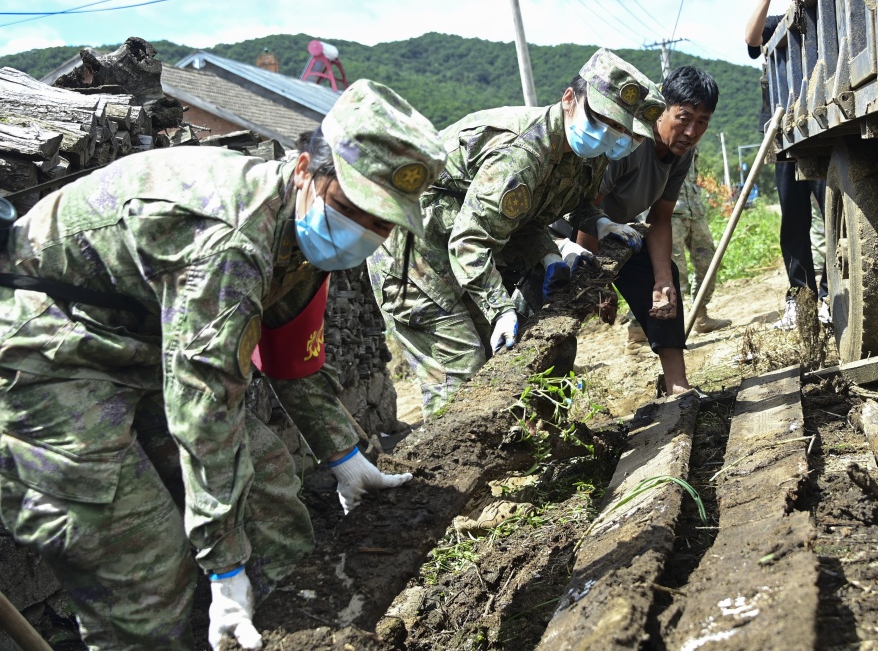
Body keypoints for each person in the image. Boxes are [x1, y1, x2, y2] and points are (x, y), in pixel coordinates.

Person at [0, 80, 446, 650]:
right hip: (47, 348)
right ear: (307, 167)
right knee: (145, 566)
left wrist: (344, 455)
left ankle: (296, 628)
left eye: (383, 220)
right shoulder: (235, 238)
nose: (365, 231)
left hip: (145, 344)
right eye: (354, 208)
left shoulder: (302, 227)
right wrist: (224, 567)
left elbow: (293, 361)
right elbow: (204, 405)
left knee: (268, 483)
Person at [368, 49, 664, 418]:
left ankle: (530, 442)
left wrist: (600, 225)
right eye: (603, 122)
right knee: (461, 369)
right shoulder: (521, 153)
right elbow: (471, 239)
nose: (610, 136)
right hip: (414, 252)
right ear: (569, 100)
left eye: (623, 131)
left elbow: (563, 207)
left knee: (494, 362)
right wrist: (500, 310)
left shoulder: (588, 150)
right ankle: (446, 468)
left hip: (463, 248)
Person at [565, 65, 720, 396]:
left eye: (702, 122)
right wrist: (595, 280)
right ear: (662, 109)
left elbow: (661, 217)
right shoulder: (628, 142)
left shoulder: (681, 154)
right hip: (571, 234)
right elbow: (584, 211)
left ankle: (678, 386)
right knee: (561, 307)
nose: (692, 131)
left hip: (614, 232)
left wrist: (663, 279)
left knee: (664, 279)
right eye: (684, 117)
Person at [745, 0, 830, 329]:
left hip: (825, 129)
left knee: (833, 212)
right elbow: (750, 40)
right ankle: (802, 298)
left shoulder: (826, 12)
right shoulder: (780, 25)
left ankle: (833, 293)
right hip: (785, 136)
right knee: (794, 222)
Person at [670, 158, 733, 333]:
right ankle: (638, 334)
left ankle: (700, 315)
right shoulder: (653, 135)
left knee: (709, 262)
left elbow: (693, 173)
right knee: (673, 272)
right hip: (667, 212)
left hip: (694, 209)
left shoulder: (692, 136)